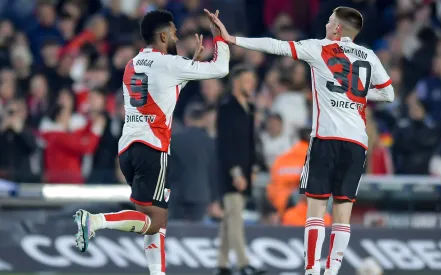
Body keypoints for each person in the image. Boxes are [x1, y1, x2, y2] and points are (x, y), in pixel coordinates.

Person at [209, 6, 394, 275]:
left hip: (326, 137)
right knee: (343, 212)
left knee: (316, 208)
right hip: (357, 142)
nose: (327, 23)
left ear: (338, 28)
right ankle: (332, 271)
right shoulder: (369, 55)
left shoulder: (320, 48)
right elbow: (388, 94)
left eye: (330, 20)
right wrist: (354, 96)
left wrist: (233, 39)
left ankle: (311, 270)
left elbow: (276, 46)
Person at [73, 8, 229, 275]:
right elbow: (222, 68)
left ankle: (157, 273)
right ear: (163, 34)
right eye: (174, 31)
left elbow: (164, 94)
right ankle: (95, 221)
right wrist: (221, 38)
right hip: (153, 149)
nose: (177, 35)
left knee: (156, 217)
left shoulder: (132, 64)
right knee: (153, 221)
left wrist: (189, 67)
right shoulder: (169, 63)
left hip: (129, 148)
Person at [215, 65, 265, 275]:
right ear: (236, 83)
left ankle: (222, 265)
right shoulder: (227, 108)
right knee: (235, 219)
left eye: (252, 81)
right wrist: (236, 173)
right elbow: (226, 144)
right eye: (247, 80)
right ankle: (243, 264)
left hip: (246, 171)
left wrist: (253, 166)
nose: (251, 85)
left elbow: (251, 142)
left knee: (230, 219)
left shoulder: (250, 108)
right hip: (231, 172)